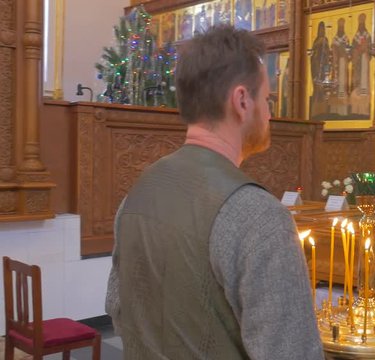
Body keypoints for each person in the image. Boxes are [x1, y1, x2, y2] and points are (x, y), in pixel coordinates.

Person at [105, 25, 324, 360]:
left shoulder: (136, 194)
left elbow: (119, 311)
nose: (269, 113)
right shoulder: (259, 215)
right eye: (266, 99)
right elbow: (292, 352)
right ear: (241, 100)